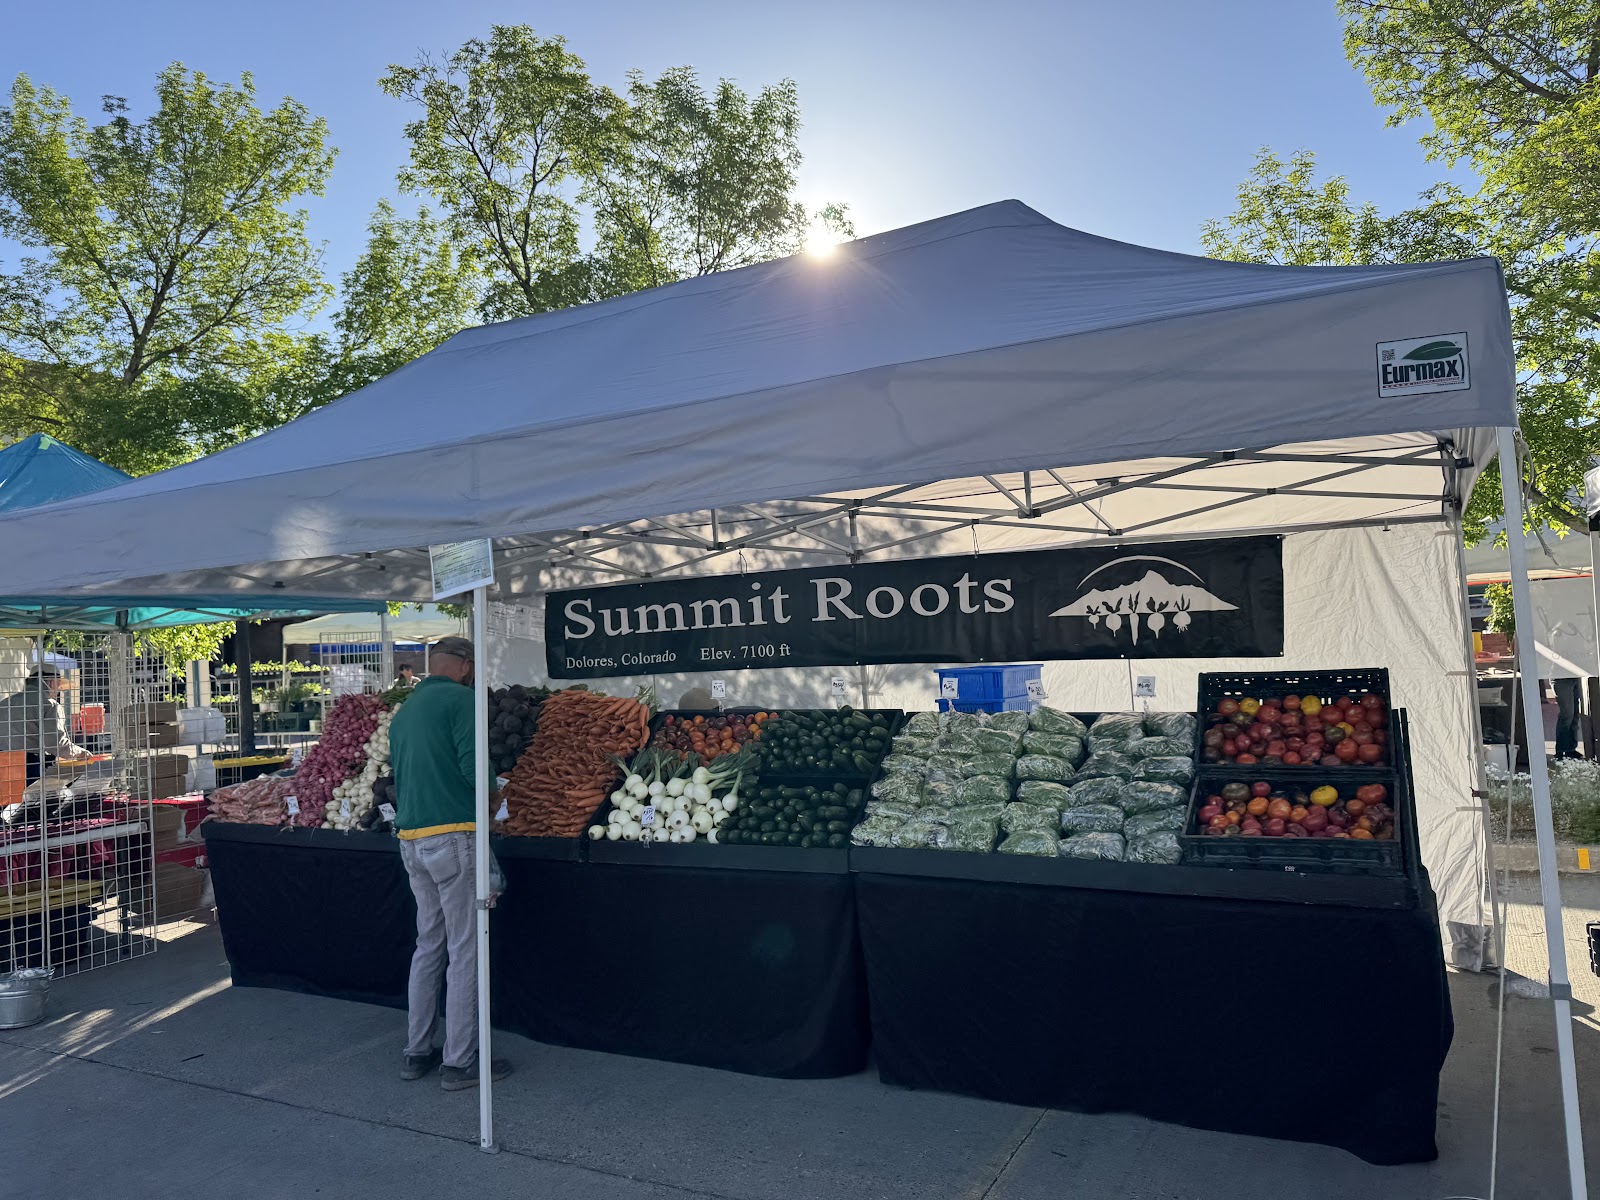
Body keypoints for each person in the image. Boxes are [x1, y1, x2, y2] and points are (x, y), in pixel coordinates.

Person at [387, 636, 511, 1091]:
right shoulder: (463, 701)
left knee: (429, 943)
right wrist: (497, 799)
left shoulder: (405, 713)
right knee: (466, 947)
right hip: (455, 837)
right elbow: (474, 771)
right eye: (473, 665)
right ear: (462, 666)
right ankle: (460, 1062)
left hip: (412, 841)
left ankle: (416, 1050)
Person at [0, 664, 87, 785]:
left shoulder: (4, 703)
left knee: (7, 802)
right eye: (58, 684)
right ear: (49, 683)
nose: (59, 689)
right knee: (33, 801)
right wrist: (81, 753)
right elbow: (55, 743)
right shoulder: (50, 705)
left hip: (3, 763)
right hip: (30, 766)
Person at [1553, 676, 1584, 759]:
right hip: (1560, 677)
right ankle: (1561, 749)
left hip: (1575, 676)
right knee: (1567, 715)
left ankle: (1570, 749)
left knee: (1575, 715)